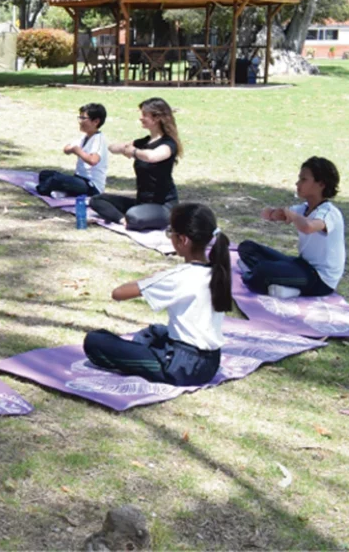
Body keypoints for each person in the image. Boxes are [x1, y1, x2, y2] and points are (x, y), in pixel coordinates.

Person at [84, 203, 231, 386]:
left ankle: (147, 355)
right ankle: (145, 351)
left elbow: (118, 293)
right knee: (154, 332)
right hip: (211, 362)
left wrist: (153, 277)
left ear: (182, 240)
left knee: (95, 340)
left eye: (171, 233)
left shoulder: (179, 276)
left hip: (181, 367)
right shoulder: (218, 270)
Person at [238, 156, 344, 298]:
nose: (297, 183)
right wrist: (273, 214)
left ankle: (286, 286)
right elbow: (270, 215)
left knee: (263, 272)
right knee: (247, 247)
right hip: (302, 265)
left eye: (303, 179)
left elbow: (308, 227)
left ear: (321, 184)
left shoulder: (330, 213)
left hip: (320, 280)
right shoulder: (303, 209)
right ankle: (273, 279)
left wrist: (292, 216)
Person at [89, 97, 181, 231]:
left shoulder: (168, 144)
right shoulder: (144, 142)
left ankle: (132, 219)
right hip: (141, 203)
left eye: (144, 115)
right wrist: (123, 149)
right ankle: (123, 220)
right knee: (97, 200)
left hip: (163, 207)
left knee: (134, 215)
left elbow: (152, 156)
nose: (140, 118)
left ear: (156, 118)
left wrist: (134, 152)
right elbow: (112, 148)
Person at [31, 103, 108, 198]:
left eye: (83, 118)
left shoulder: (98, 139)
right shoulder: (84, 137)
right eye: (79, 118)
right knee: (45, 174)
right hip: (79, 178)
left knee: (56, 179)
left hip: (91, 186)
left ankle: (41, 188)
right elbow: (67, 148)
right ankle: (63, 192)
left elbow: (93, 160)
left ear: (96, 121)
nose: (80, 122)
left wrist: (77, 150)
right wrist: (71, 149)